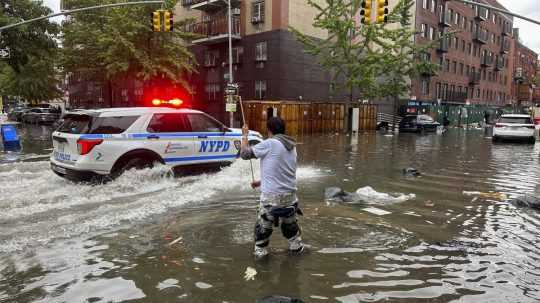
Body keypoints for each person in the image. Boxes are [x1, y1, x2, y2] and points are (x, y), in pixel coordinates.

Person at [240, 117, 304, 258]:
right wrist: (260, 182)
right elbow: (283, 172)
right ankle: (296, 254)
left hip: (271, 200)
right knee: (293, 234)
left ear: (269, 130)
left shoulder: (269, 143)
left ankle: (262, 266)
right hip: (291, 199)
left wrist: (244, 135)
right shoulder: (292, 147)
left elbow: (244, 154)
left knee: (262, 236)